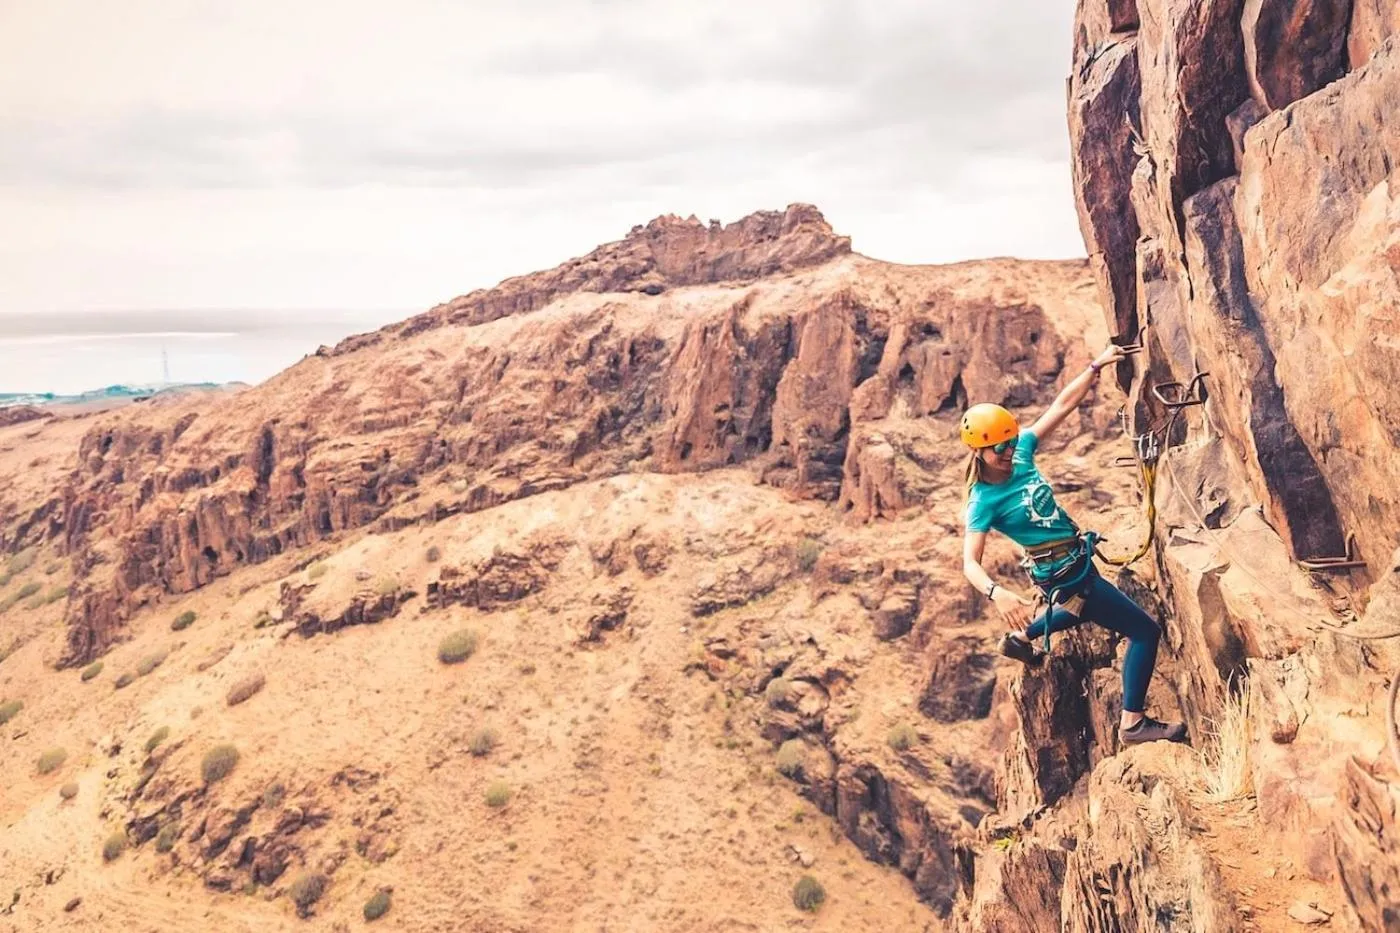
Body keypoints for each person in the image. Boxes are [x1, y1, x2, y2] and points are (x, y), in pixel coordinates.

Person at [959, 343, 1186, 746]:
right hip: (1064, 574)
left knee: (1080, 610)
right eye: (999, 447)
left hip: (1073, 560)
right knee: (1144, 632)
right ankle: (1133, 724)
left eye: (1011, 441)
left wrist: (1095, 366)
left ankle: (1022, 637)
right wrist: (998, 594)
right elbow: (969, 563)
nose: (1008, 451)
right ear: (978, 450)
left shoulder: (1021, 453)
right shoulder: (983, 501)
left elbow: (1061, 406)